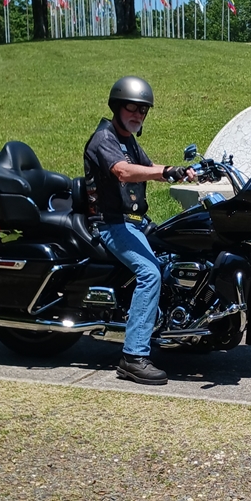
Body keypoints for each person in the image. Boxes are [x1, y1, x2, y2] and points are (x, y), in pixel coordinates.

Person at [84, 76, 195, 386]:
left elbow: (149, 165)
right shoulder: (103, 139)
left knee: (173, 254)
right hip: (109, 223)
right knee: (150, 273)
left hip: (133, 222)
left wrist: (183, 171)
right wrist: (164, 172)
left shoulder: (127, 141)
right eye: (132, 108)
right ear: (117, 107)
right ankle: (133, 357)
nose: (137, 115)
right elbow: (123, 171)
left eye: (143, 111)